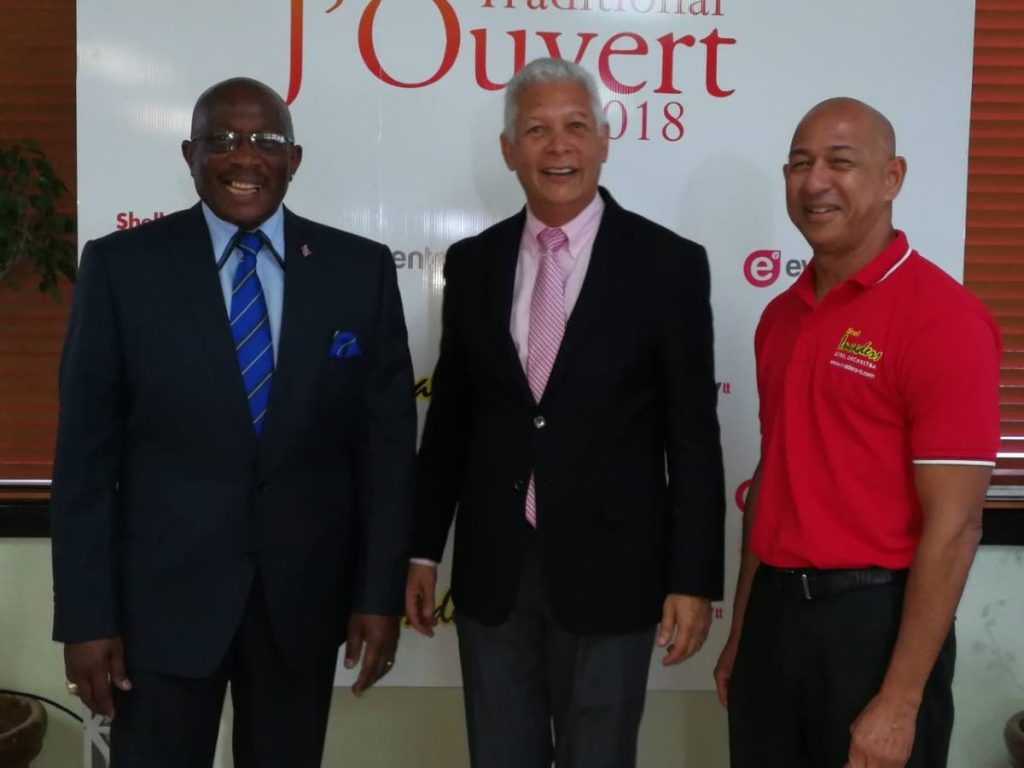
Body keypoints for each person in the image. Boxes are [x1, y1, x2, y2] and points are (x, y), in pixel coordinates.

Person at [50, 77, 417, 768]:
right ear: (190, 155)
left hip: (300, 610)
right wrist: (86, 617)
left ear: (294, 159)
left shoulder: (357, 271)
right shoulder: (122, 267)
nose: (244, 157)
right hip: (160, 613)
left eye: (266, 141)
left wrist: (377, 596)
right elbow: (85, 462)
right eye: (222, 140)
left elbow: (386, 453)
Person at [405, 57, 725, 768]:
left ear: (605, 139)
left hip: (618, 573)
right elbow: (452, 419)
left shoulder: (668, 265)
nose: (559, 147)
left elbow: (693, 438)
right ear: (508, 149)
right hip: (494, 574)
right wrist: (422, 548)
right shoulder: (474, 264)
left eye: (576, 127)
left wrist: (693, 578)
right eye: (538, 130)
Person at [714, 97, 1001, 768]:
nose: (815, 181)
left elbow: (956, 525)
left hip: (876, 629)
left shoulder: (943, 319)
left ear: (892, 177)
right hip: (775, 623)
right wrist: (743, 632)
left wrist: (900, 701)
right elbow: (773, 484)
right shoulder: (780, 318)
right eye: (799, 163)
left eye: (840, 162)